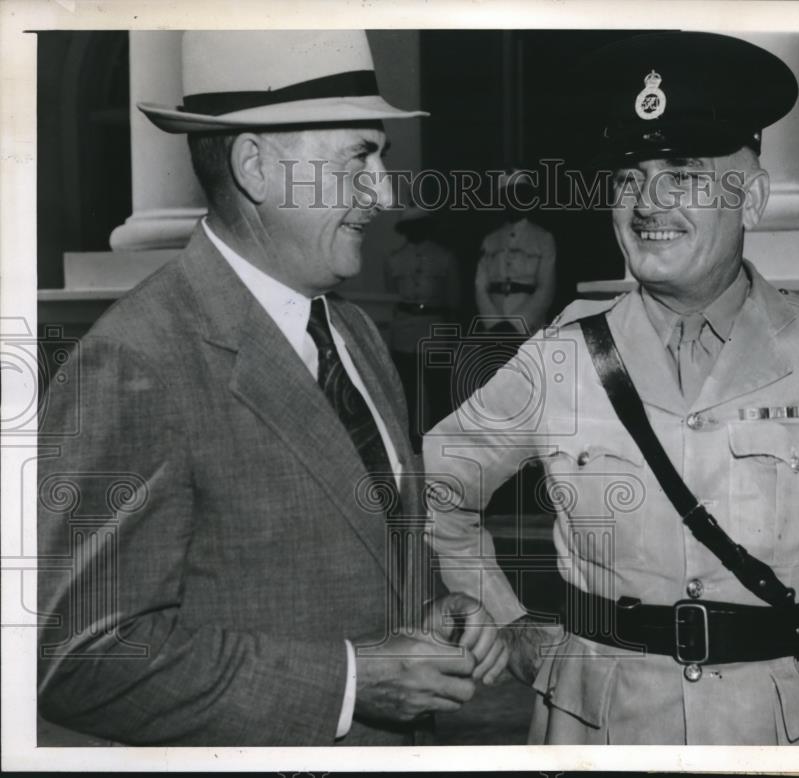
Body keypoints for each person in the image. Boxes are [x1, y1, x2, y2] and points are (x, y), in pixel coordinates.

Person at [423, 31, 799, 745]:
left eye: (681, 174)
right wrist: (505, 618)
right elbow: (433, 481)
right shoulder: (559, 358)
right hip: (597, 724)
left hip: (789, 729)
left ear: (751, 197)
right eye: (628, 178)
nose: (646, 203)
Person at [36, 30, 505, 747]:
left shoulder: (356, 335)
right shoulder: (136, 363)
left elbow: (354, 553)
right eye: (359, 157)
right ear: (256, 167)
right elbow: (83, 661)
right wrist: (351, 681)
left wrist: (432, 612)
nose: (384, 191)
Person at [384, 206, 462, 446]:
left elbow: (453, 300)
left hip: (434, 331)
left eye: (420, 226)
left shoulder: (445, 258)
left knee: (438, 392)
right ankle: (408, 444)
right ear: (404, 230)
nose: (415, 232)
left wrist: (451, 338)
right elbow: (390, 294)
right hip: (404, 331)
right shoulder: (394, 260)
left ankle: (442, 443)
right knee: (405, 392)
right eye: (410, 227)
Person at [474, 169, 557, 339]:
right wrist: (494, 323)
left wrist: (517, 324)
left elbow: (546, 288)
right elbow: (480, 286)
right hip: (495, 329)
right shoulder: (490, 240)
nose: (513, 201)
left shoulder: (543, 239)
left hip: (528, 329)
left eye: (520, 195)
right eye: (507, 196)